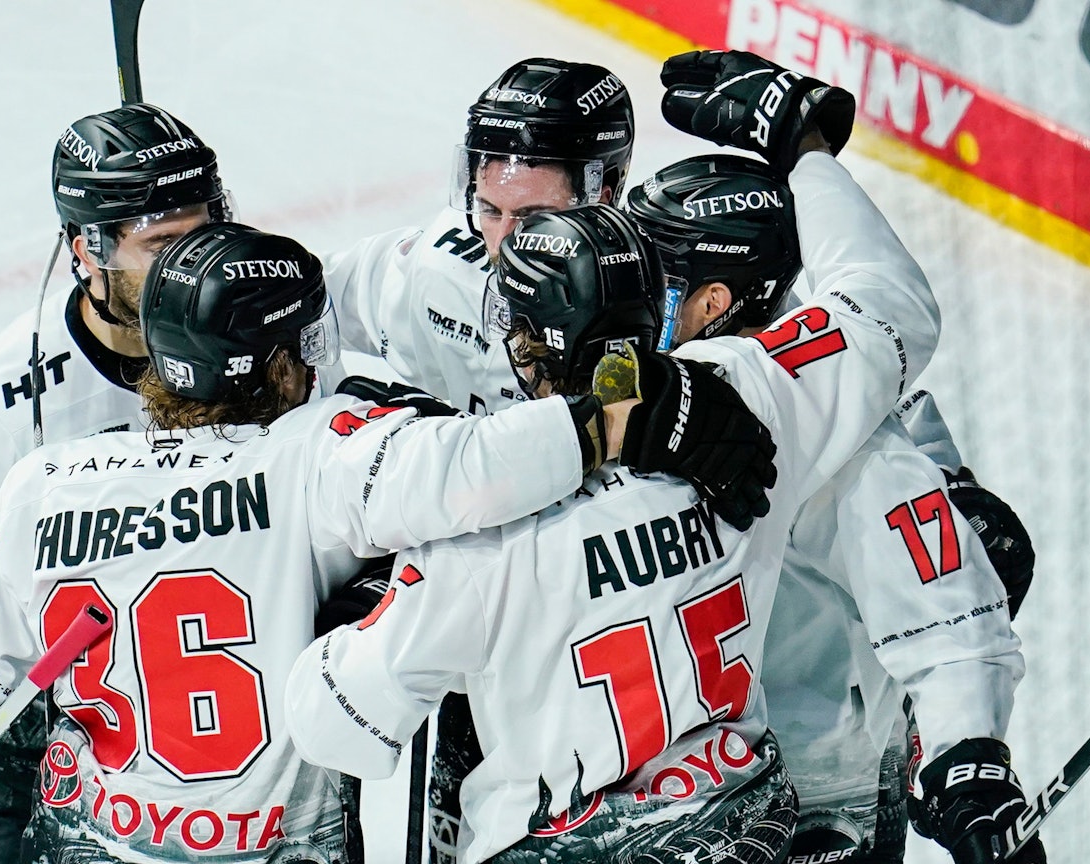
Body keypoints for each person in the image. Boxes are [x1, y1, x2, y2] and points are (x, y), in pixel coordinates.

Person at [0, 222, 776, 864]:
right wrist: (631, 410)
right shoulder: (317, 458)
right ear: (274, 359)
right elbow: (478, 465)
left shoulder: (41, 487)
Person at [282, 147, 955, 864]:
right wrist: (810, 152)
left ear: (522, 343)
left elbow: (337, 727)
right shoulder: (757, 403)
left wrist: (361, 603)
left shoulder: (479, 533)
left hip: (562, 843)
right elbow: (885, 310)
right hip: (744, 824)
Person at [654, 50, 1045, 864]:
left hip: (806, 798)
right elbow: (879, 298)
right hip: (691, 785)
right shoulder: (821, 376)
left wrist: (966, 753)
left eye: (665, 271)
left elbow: (939, 590)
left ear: (719, 296)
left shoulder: (827, 424)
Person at [0, 102, 234, 864]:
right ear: (84, 250)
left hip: (227, 748)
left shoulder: (258, 341)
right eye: (161, 246)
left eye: (202, 236)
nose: (191, 269)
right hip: (57, 767)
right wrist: (55, 586)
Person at [319, 57, 635, 416]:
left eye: (533, 217)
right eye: (489, 209)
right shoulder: (443, 270)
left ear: (600, 201)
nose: (502, 242)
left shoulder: (654, 307)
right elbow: (307, 300)